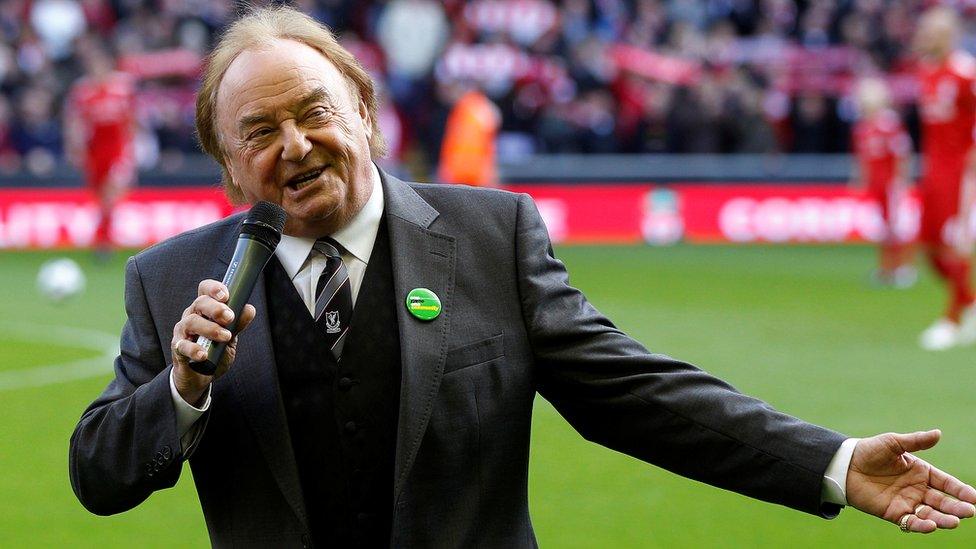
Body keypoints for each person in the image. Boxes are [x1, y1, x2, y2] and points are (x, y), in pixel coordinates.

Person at [69, 7, 976, 547]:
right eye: (260, 132)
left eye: (315, 112)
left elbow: (638, 394)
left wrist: (832, 460)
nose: (297, 144)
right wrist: (182, 390)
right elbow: (99, 472)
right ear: (229, 168)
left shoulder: (491, 236)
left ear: (366, 113)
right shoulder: (173, 280)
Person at [914, 7, 976, 350]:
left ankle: (952, 320)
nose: (926, 35)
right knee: (929, 245)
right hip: (933, 170)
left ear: (949, 33)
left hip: (961, 171)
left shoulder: (966, 72)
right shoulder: (926, 71)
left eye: (934, 30)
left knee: (956, 243)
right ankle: (969, 301)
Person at [64, 39, 137, 259]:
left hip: (117, 149)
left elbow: (131, 119)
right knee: (99, 197)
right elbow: (75, 122)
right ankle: (103, 239)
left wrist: (132, 148)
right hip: (94, 151)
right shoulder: (83, 91)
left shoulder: (122, 88)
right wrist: (75, 147)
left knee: (110, 194)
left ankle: (104, 243)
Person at [850, 77, 916, 288]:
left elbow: (902, 154)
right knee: (883, 227)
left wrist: (901, 180)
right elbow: (862, 158)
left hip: (890, 184)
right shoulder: (862, 128)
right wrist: (860, 179)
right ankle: (886, 268)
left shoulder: (890, 125)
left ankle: (902, 268)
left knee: (894, 226)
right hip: (875, 184)